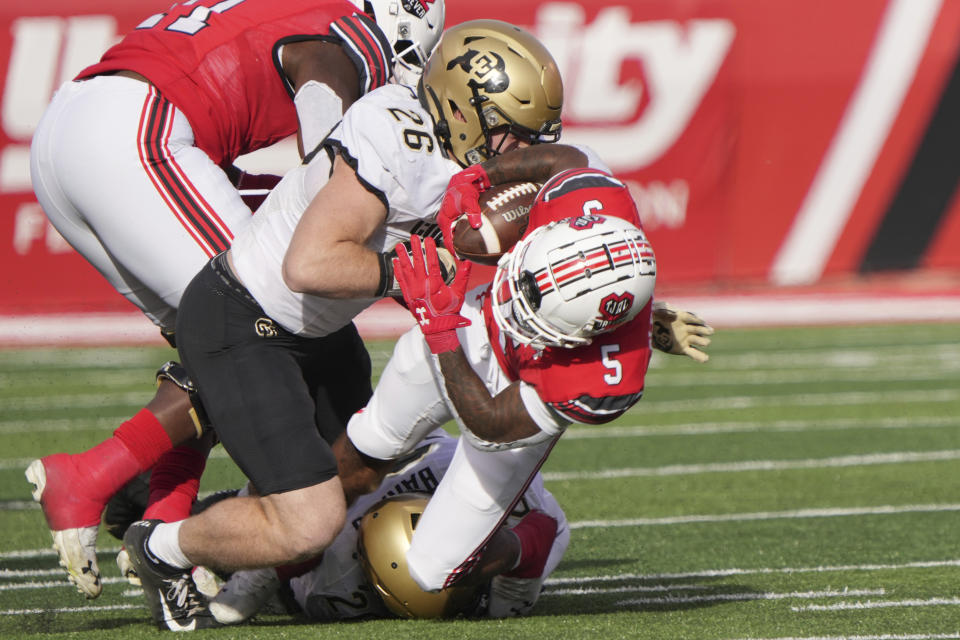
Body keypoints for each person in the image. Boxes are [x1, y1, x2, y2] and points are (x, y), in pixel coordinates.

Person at [119, 19, 606, 631]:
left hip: (320, 334)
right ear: (463, 110)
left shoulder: (460, 151)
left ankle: (247, 556)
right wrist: (408, 273)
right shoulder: (396, 138)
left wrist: (623, 306)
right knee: (311, 521)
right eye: (512, 135)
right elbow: (310, 262)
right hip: (244, 320)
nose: (521, 153)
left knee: (365, 470)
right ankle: (159, 548)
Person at [25, 0, 444, 601]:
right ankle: (94, 476)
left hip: (78, 128)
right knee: (258, 320)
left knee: (220, 343)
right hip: (136, 132)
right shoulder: (351, 37)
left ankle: (164, 517)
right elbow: (329, 150)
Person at [339, 166, 711, 600]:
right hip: (476, 323)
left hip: (514, 401)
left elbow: (490, 425)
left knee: (427, 573)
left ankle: (536, 536)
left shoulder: (602, 380)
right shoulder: (592, 197)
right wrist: (479, 175)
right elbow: (562, 156)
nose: (517, 304)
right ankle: (281, 561)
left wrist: (437, 327)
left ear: (584, 334)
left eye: (532, 307)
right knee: (368, 442)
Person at [106, 429, 569, 623]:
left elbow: (536, 538)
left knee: (292, 577)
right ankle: (146, 503)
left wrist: (504, 558)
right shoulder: (446, 473)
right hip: (354, 493)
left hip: (323, 569)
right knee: (267, 522)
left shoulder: (337, 591)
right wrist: (259, 567)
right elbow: (544, 534)